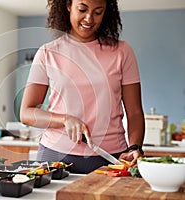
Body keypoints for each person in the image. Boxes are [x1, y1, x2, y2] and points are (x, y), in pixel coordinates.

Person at [20, 0, 145, 174]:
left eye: (98, 12)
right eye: (82, 9)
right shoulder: (48, 53)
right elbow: (26, 112)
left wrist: (135, 146)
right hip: (55, 156)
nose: (89, 19)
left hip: (111, 157)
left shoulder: (122, 52)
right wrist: (64, 119)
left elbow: (135, 112)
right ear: (69, 5)